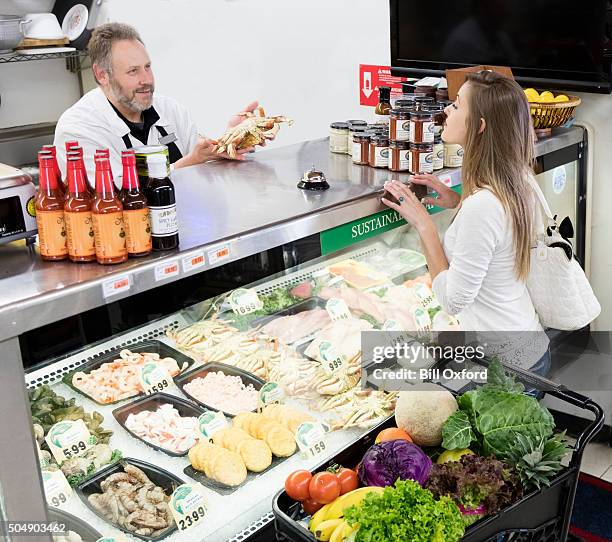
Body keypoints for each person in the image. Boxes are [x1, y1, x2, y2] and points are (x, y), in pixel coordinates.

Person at [382, 71, 549, 373]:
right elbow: (500, 234)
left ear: (479, 126)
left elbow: (452, 301)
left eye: (457, 105)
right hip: (528, 348)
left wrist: (425, 226)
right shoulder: (517, 178)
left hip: (506, 368)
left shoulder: (484, 205)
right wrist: (457, 201)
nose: (446, 110)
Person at [54, 22, 261, 180]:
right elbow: (112, 198)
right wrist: (189, 162)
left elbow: (203, 159)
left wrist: (232, 139)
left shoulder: (170, 109)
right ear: (102, 75)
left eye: (147, 67)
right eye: (133, 71)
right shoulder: (78, 129)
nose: (147, 80)